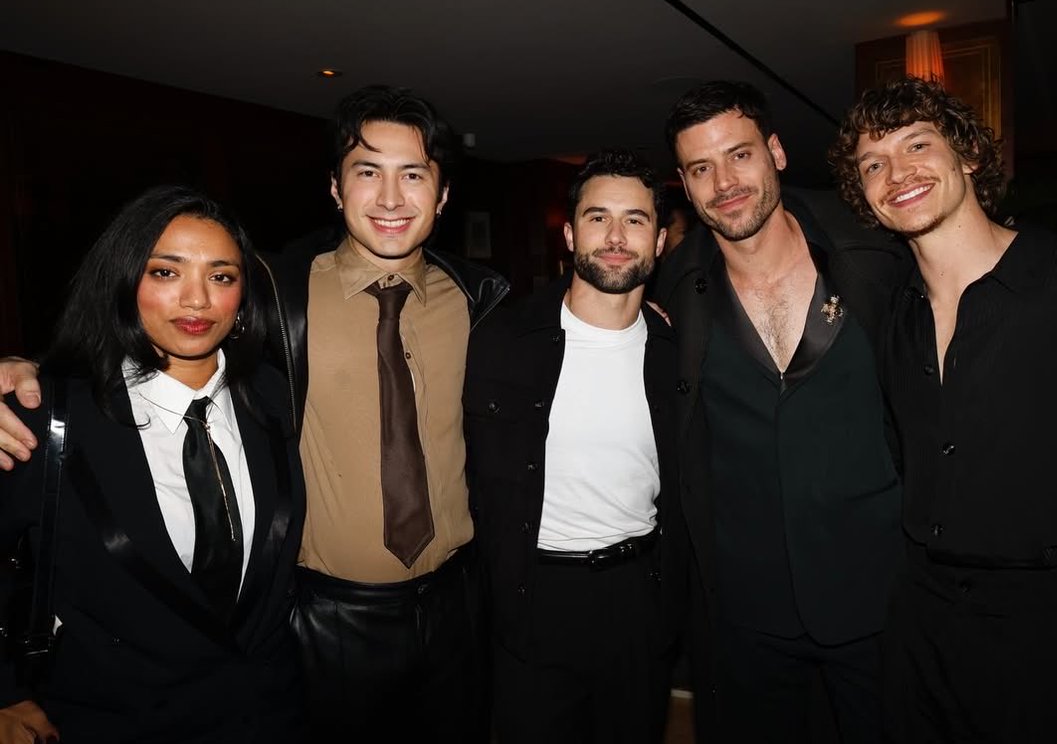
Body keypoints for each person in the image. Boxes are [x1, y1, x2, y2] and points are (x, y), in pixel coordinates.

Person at [0, 85, 509, 740]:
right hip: (324, 617)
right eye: (367, 172)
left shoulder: (483, 300)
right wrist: (26, 370)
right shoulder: (273, 290)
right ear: (334, 188)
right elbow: (150, 338)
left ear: (442, 197)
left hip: (456, 604)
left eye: (412, 175)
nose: (389, 198)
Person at [829, 76, 1057, 743]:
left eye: (918, 144)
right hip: (923, 640)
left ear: (968, 154)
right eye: (873, 164)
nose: (898, 173)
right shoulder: (896, 321)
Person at [0, 186, 305, 744]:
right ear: (124, 283)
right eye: (166, 273)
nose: (197, 300)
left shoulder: (274, 398)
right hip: (114, 721)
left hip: (266, 715)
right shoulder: (44, 416)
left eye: (221, 276)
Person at [654, 80, 905, 742]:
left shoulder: (874, 253)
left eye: (739, 155)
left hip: (880, 602)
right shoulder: (675, 287)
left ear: (776, 153)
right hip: (744, 614)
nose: (724, 182)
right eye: (701, 168)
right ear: (683, 183)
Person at [465, 150, 685, 743]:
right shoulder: (500, 341)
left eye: (635, 220)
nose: (615, 237)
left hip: (640, 597)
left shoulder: (679, 350)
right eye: (597, 218)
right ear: (568, 234)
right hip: (532, 598)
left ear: (660, 240)